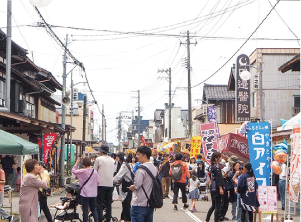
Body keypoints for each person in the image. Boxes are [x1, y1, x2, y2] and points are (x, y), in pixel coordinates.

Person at [129, 146, 157, 222]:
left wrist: (132, 187)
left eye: (138, 154)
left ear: (145, 156)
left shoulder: (141, 169)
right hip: (150, 203)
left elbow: (137, 184)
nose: (136, 157)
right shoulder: (154, 168)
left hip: (139, 204)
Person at [72, 157, 99, 222]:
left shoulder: (82, 171)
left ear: (83, 164)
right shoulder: (94, 172)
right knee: (93, 209)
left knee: (85, 209)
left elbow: (73, 171)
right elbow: (98, 182)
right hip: (93, 193)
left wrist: (76, 163)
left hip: (85, 193)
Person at [94, 144, 115, 222]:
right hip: (110, 183)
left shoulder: (98, 159)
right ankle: (108, 218)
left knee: (99, 202)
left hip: (100, 184)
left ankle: (100, 219)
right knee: (108, 203)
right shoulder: (112, 160)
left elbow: (94, 171)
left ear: (101, 151)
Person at [205, 152, 225, 222]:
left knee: (214, 205)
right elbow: (218, 178)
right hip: (216, 187)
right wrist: (220, 188)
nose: (221, 158)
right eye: (220, 157)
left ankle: (207, 219)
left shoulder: (211, 166)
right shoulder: (217, 167)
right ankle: (216, 220)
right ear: (216, 158)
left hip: (212, 187)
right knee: (217, 206)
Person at [113, 154, 134, 222]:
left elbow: (118, 176)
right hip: (128, 185)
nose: (116, 158)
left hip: (127, 186)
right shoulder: (126, 164)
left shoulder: (124, 165)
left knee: (126, 203)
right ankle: (123, 217)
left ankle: (127, 219)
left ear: (119, 157)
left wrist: (111, 180)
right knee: (125, 202)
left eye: (117, 157)